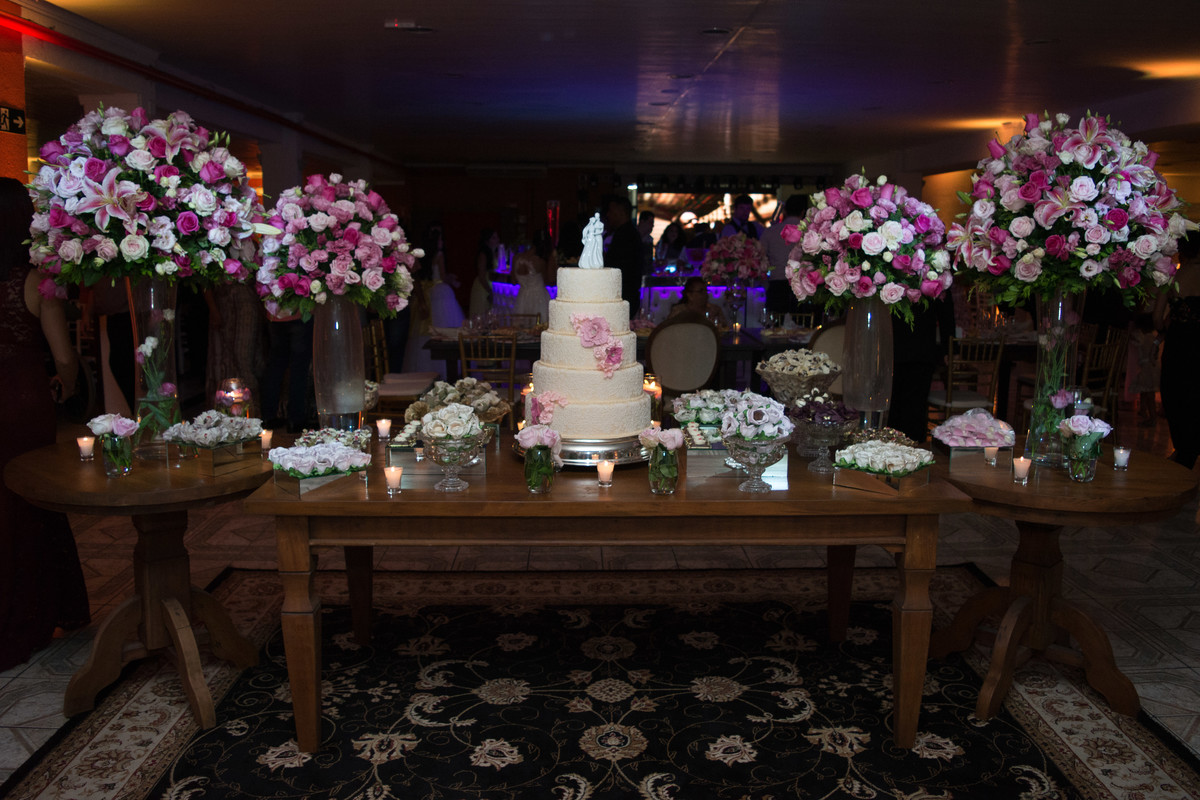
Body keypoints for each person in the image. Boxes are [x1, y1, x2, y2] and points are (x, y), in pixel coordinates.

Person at [0, 176, 90, 670]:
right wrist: (66, 386)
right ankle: (35, 612)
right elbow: (64, 356)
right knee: (31, 502)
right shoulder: (35, 281)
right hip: (20, 399)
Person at [1157, 233, 1200, 468]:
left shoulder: (1174, 277)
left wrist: (1172, 320)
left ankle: (1185, 450)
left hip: (1179, 347)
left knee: (1176, 395)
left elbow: (1156, 318)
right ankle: (1188, 451)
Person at [204, 282, 266, 415]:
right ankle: (223, 411)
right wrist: (213, 308)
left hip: (247, 301)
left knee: (243, 356)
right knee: (223, 356)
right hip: (223, 301)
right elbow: (205, 281)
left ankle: (253, 412)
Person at [259, 308, 314, 433]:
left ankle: (268, 416)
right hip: (299, 313)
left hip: (275, 315)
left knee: (275, 365)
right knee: (299, 367)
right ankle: (296, 419)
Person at [762, 194, 809, 314]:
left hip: (776, 283)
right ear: (803, 212)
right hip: (802, 285)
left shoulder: (771, 231)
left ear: (785, 210)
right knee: (803, 326)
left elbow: (760, 257)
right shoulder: (810, 231)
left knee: (774, 328)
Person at [602, 196, 645, 317]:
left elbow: (618, 269)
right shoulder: (627, 233)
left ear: (620, 211)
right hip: (626, 296)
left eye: (611, 211)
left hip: (622, 297)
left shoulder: (625, 235)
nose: (608, 215)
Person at [512, 229, 553, 324]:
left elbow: (513, 281)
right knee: (540, 327)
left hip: (522, 297)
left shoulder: (516, 258)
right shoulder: (540, 261)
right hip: (539, 298)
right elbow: (548, 281)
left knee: (522, 328)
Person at [1127, 312, 1160, 427]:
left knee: (1149, 394)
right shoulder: (1154, 336)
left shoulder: (1142, 337)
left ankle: (1152, 417)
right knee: (1146, 392)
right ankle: (1145, 412)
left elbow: (1132, 337)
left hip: (1148, 369)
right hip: (1152, 368)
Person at [470, 228, 500, 319]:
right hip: (483, 286)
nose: (497, 239)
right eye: (494, 238)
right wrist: (490, 291)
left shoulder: (494, 253)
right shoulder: (483, 254)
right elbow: (481, 276)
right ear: (487, 240)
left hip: (490, 284)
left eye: (497, 237)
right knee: (481, 313)